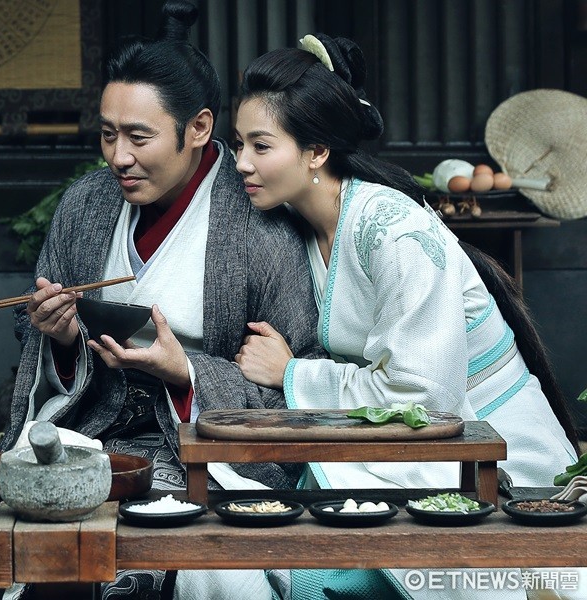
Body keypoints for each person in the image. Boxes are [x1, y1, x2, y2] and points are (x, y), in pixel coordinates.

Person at [232, 32, 581, 600]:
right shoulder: (305, 229)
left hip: (486, 447)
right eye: (238, 143)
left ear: (316, 152)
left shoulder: (394, 232)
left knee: (316, 560)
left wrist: (292, 373)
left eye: (260, 146)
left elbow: (424, 397)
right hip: (405, 441)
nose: (242, 163)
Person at [0, 2, 321, 598]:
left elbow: (294, 382)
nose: (118, 157)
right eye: (108, 134)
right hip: (91, 435)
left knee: (162, 567)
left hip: (206, 453)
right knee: (41, 554)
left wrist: (186, 373)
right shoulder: (86, 204)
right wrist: (60, 339)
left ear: (197, 128)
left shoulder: (259, 222)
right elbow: (30, 329)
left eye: (138, 137)